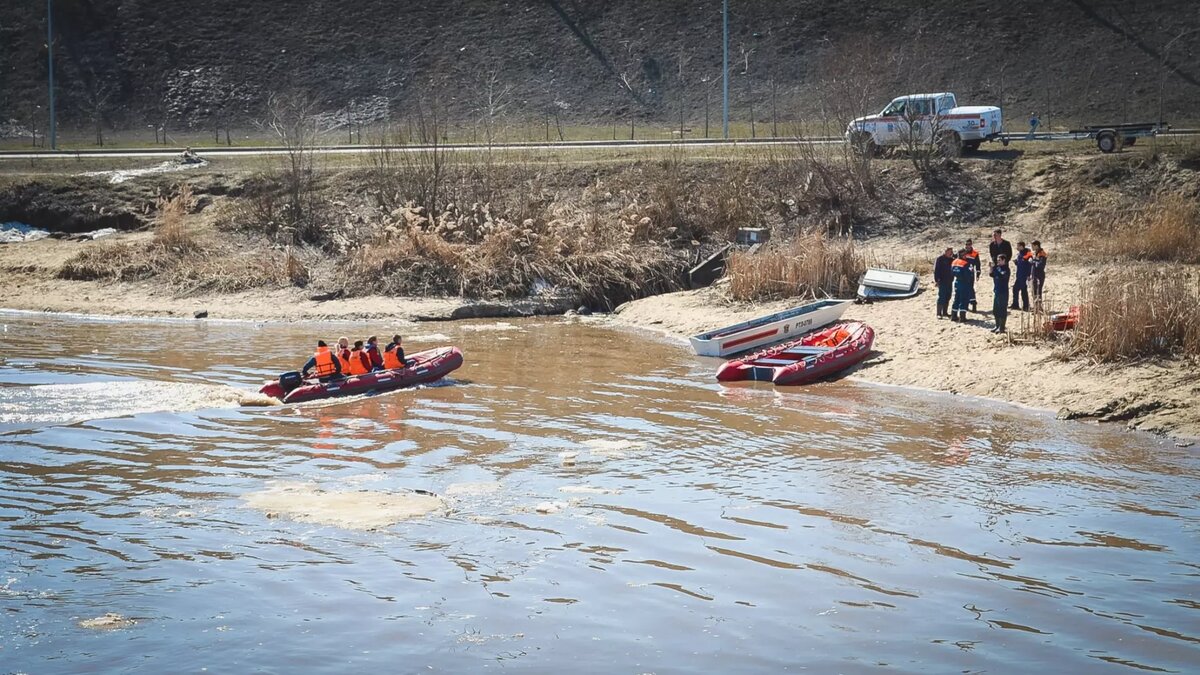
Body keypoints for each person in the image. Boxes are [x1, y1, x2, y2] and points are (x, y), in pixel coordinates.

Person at [950, 249, 974, 323]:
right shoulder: (965, 263)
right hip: (964, 283)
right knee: (964, 299)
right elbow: (969, 274)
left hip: (957, 281)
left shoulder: (954, 262)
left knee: (956, 299)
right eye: (964, 254)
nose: (965, 256)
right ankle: (962, 317)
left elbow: (952, 272)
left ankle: (953, 315)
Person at [990, 254, 1011, 333]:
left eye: (999, 260)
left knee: (1002, 309)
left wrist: (996, 269)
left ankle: (1002, 327)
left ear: (1004, 260)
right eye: (997, 260)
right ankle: (997, 325)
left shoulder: (1006, 269)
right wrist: (992, 268)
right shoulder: (997, 268)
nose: (997, 261)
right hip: (997, 291)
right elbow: (991, 274)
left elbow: (1003, 276)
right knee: (996, 309)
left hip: (1003, 292)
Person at [933, 247, 956, 318]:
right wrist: (937, 280)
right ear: (945, 252)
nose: (951, 253)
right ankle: (938, 313)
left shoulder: (952, 260)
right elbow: (936, 270)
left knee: (948, 296)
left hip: (950, 280)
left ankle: (945, 312)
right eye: (949, 252)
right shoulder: (940, 259)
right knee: (942, 296)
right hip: (942, 281)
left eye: (951, 252)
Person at [1010, 241, 1032, 311]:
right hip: (1019, 274)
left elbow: (1029, 265)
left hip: (1023, 275)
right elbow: (1021, 263)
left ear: (1022, 246)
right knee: (1021, 290)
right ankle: (1021, 305)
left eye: (1018, 246)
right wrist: (1016, 262)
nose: (1017, 248)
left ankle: (1020, 305)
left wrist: (1028, 275)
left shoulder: (1027, 254)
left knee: (1019, 289)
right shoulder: (1020, 254)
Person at [964, 239, 981, 311]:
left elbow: (978, 264)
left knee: (970, 288)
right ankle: (965, 305)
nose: (968, 246)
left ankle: (974, 304)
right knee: (964, 289)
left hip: (970, 273)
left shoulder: (975, 253)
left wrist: (978, 273)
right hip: (963, 273)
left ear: (971, 244)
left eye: (969, 244)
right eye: (966, 244)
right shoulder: (962, 252)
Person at [1030, 240, 1049, 305]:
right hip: (1034, 274)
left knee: (1038, 292)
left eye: (1033, 246)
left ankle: (1039, 307)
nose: (1032, 247)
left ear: (1036, 246)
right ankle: (1036, 307)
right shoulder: (1036, 253)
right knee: (1034, 292)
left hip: (1039, 275)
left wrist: (1033, 261)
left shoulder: (1042, 253)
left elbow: (1040, 265)